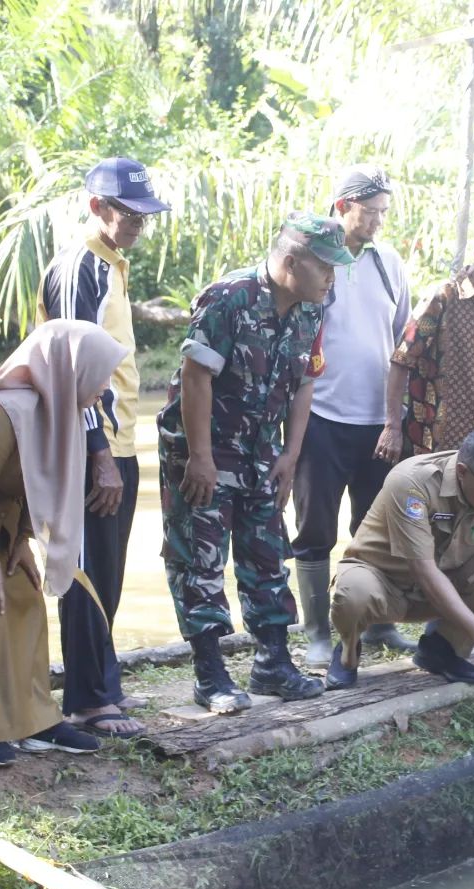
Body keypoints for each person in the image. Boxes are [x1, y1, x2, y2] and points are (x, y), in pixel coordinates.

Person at [157, 213, 355, 714]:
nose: (333, 277)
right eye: (326, 267)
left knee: (267, 552)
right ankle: (210, 674)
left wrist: (291, 453)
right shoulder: (228, 298)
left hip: (264, 449)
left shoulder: (313, 307)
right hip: (207, 446)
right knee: (199, 557)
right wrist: (199, 458)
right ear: (292, 262)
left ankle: (272, 662)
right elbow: (196, 376)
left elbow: (306, 382)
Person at [0, 321, 131, 765]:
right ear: (72, 368)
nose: (104, 388)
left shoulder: (58, 410)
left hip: (1, 518)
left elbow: (42, 483)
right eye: (99, 374)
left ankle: (36, 719)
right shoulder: (2, 410)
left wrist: (22, 543)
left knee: (27, 601)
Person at [37, 156, 171, 737]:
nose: (139, 226)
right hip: (87, 443)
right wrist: (96, 454)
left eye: (145, 216)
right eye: (129, 215)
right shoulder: (79, 268)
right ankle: (88, 697)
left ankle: (102, 683)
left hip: (118, 442)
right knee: (87, 568)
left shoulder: (112, 265)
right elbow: (72, 365)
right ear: (98, 207)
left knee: (110, 568)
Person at [377, 228, 474, 639]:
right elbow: (401, 362)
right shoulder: (442, 299)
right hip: (444, 450)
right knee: (442, 542)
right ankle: (434, 629)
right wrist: (393, 425)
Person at [326, 426, 474, 697]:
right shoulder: (412, 482)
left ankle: (443, 650)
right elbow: (424, 572)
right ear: (462, 472)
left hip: (442, 587)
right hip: (383, 585)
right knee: (354, 590)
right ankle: (347, 651)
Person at [292, 164, 414, 670]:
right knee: (315, 525)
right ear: (342, 207)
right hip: (321, 416)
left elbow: (405, 340)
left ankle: (378, 620)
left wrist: (398, 418)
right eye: (371, 212)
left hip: (379, 421)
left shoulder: (389, 261)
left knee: (376, 525)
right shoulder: (318, 258)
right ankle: (319, 631)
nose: (379, 221)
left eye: (385, 212)